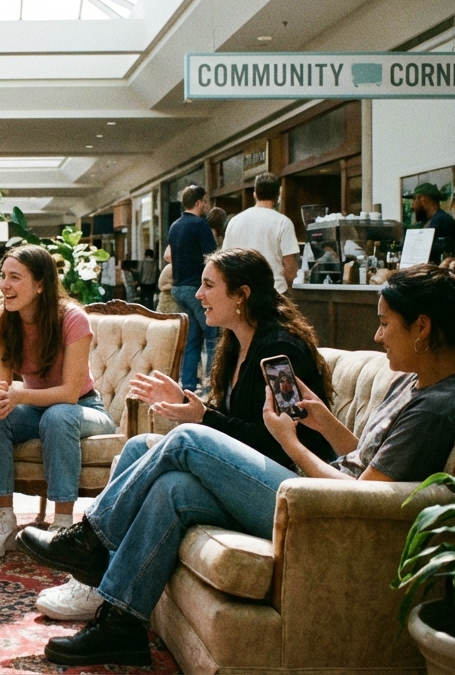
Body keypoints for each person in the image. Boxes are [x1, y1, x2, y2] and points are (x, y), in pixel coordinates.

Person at [17, 255, 455, 667]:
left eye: (386, 322)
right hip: (321, 493)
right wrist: (325, 420)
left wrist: (291, 441)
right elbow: (361, 455)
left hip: (323, 512)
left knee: (186, 438)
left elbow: (364, 493)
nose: (376, 335)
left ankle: (91, 541)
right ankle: (121, 622)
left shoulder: (437, 405)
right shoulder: (416, 382)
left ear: (423, 327)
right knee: (172, 490)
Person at [37, 248, 336, 621]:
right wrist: (186, 403)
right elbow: (233, 423)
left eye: (209, 286)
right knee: (148, 461)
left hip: (292, 487)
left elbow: (289, 439)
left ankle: (90, 539)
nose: (197, 295)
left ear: (242, 295)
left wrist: (202, 418)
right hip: (248, 479)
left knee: (185, 438)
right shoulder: (234, 344)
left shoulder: (280, 350)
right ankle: (103, 599)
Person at [0, 245, 117, 559]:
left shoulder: (72, 318)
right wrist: (0, 398)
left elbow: (68, 393)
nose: (4, 285)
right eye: (3, 276)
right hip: (36, 408)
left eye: (15, 277)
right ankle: (4, 519)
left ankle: (62, 523)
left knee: (59, 415)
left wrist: (19, 394)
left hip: (83, 408)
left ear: (40, 285)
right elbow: (2, 387)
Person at [166, 185, 219, 392]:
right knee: (213, 335)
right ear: (198, 202)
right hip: (195, 287)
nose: (206, 205)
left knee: (192, 337)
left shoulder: (175, 226)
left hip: (178, 288)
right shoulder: (200, 225)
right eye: (205, 201)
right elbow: (213, 258)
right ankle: (210, 386)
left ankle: (188, 384)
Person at [223, 173, 300, 293]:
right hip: (273, 291)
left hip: (242, 292)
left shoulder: (234, 222)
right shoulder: (283, 222)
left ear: (255, 194)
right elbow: (289, 266)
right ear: (277, 196)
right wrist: (290, 288)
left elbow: (225, 262)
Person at [411, 182, 455, 265]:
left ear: (423, 199)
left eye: (414, 199)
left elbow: (448, 256)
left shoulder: (444, 221)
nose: (412, 205)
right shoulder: (430, 221)